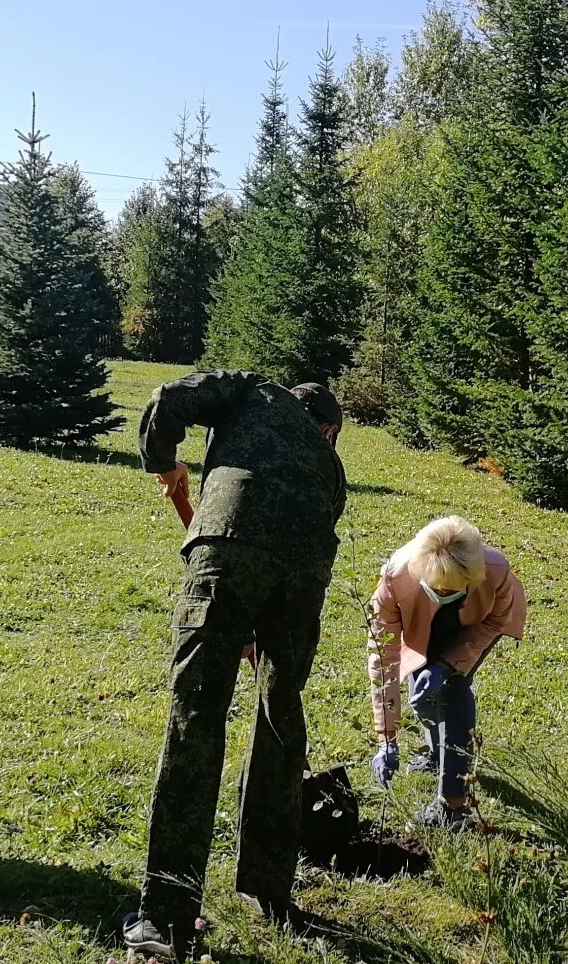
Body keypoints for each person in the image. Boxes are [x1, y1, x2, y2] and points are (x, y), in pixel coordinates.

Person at [124, 372, 346, 961]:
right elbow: (320, 526)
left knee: (196, 715)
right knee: (281, 715)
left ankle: (166, 914)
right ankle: (268, 893)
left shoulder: (250, 390)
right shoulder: (329, 465)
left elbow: (167, 398)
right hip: (303, 569)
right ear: (325, 428)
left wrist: (163, 462)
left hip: (227, 545)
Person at [368, 516, 526, 829]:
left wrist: (446, 665)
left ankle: (453, 806)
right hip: (420, 626)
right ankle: (437, 754)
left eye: (453, 588)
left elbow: (494, 622)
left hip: (474, 626)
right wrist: (387, 738)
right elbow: (383, 657)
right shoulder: (395, 579)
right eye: (437, 587)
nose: (443, 591)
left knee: (452, 691)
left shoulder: (495, 571)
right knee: (422, 697)